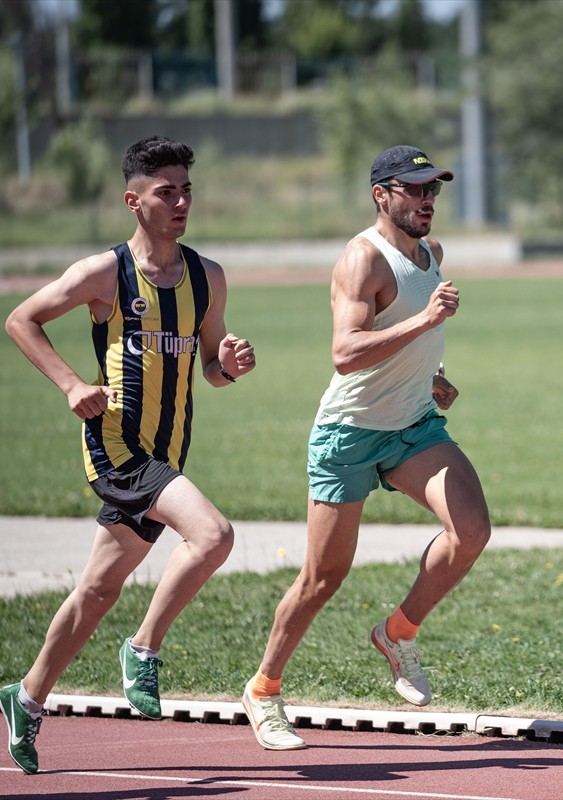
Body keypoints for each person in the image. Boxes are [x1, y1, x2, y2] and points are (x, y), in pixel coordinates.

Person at [0, 135, 257, 775]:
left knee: (97, 590)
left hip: (168, 451)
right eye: (166, 191)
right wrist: (71, 385)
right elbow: (21, 320)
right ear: (133, 201)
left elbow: (212, 369)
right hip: (118, 447)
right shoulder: (103, 273)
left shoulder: (207, 276)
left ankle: (26, 698)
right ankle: (143, 649)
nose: (181, 202)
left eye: (187, 190)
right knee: (214, 535)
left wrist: (226, 365)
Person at [240, 145, 491, 751]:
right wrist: (427, 324)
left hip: (412, 425)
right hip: (348, 433)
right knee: (323, 577)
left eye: (434, 189)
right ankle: (264, 689)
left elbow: (399, 337)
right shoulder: (362, 260)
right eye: (415, 189)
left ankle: (397, 633)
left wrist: (431, 372)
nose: (428, 200)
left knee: (472, 530)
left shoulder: (431, 253)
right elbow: (346, 353)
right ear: (382, 194)